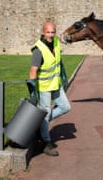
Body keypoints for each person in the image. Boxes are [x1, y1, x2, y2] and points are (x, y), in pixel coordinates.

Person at [27, 22, 71, 156]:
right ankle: (46, 142)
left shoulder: (56, 43)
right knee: (45, 112)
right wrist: (33, 90)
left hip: (56, 84)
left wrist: (63, 77)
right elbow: (33, 71)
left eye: (53, 32)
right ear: (43, 32)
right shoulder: (38, 50)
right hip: (45, 86)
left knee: (65, 107)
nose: (51, 35)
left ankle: (41, 122)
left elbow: (59, 58)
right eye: (48, 32)